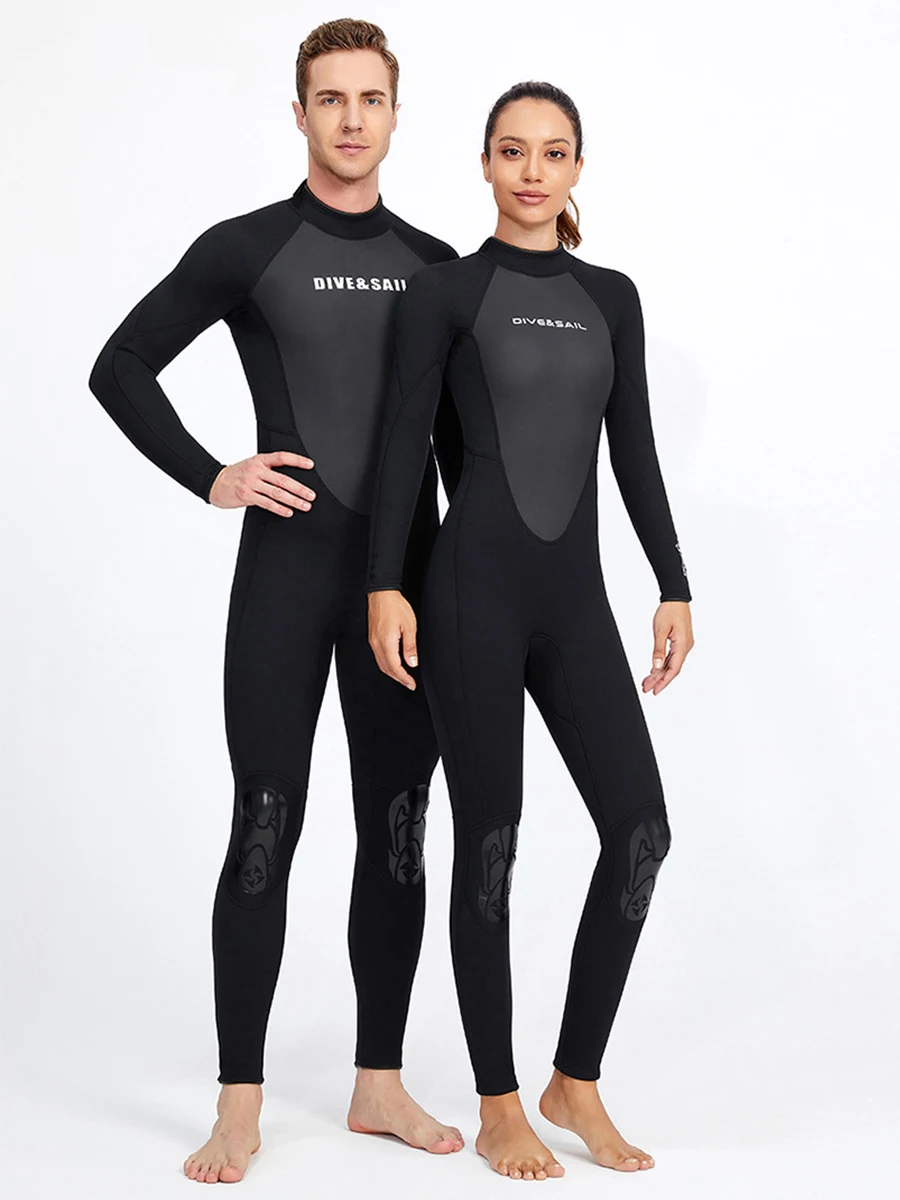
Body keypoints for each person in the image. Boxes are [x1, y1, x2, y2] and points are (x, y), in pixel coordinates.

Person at [88, 19, 466, 1186]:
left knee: (398, 828)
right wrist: (214, 475)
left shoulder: (439, 267)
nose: (352, 118)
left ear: (396, 115)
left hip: (405, 588)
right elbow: (119, 366)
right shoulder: (248, 247)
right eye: (330, 98)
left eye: (371, 98)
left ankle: (377, 1082)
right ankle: (239, 1104)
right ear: (299, 114)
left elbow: (466, 454)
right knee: (265, 823)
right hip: (288, 578)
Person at [367, 80, 695, 1181]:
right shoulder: (447, 292)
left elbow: (633, 446)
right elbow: (402, 443)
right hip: (470, 594)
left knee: (640, 829)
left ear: (577, 169)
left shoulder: (612, 296)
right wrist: (384, 584)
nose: (533, 171)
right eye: (513, 151)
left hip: (574, 600)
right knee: (492, 841)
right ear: (485, 164)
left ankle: (575, 1080)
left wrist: (674, 583)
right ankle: (499, 1101)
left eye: (554, 153)